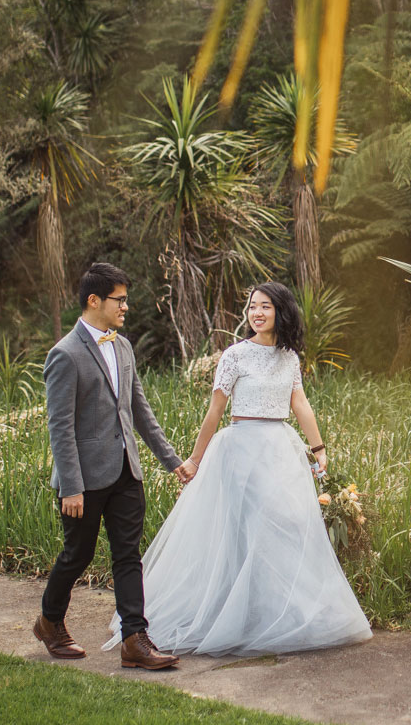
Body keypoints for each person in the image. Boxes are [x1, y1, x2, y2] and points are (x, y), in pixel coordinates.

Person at [111, 281, 371, 657]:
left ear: (281, 311)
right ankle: (237, 615)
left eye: (265, 307)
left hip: (281, 450)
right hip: (240, 449)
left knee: (290, 527)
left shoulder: (290, 358)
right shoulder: (235, 356)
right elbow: (215, 410)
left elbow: (301, 404)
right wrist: (195, 460)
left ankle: (280, 612)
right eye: (253, 307)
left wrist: (319, 449)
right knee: (249, 531)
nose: (257, 313)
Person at [32, 262, 185, 670]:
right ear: (94, 300)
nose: (126, 307)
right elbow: (60, 427)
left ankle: (135, 639)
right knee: (76, 555)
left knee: (128, 556)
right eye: (120, 300)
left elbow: (139, 410)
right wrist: (71, 486)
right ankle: (49, 621)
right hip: (83, 479)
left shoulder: (123, 346)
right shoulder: (64, 354)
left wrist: (172, 462)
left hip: (125, 473)